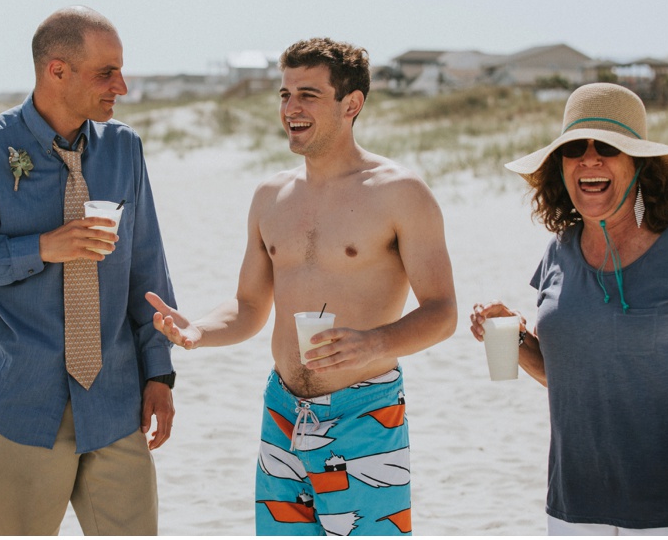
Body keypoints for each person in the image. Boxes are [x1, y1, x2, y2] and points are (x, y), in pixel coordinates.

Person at [147, 37, 457, 536]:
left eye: (308, 94)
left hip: (365, 413)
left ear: (351, 104)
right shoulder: (271, 197)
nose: (291, 107)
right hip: (283, 412)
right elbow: (249, 305)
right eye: (285, 94)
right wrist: (199, 330)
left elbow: (442, 312)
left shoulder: (401, 193)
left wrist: (373, 343)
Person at [0, 6, 177, 535]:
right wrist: (41, 247)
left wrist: (159, 372)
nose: (122, 86)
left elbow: (147, 265)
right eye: (107, 72)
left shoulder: (124, 148)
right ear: (56, 70)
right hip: (26, 405)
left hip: (115, 403)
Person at [469, 82, 668, 535]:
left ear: (639, 165)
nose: (589, 159)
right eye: (573, 149)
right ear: (560, 170)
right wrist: (514, 336)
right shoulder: (557, 251)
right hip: (573, 506)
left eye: (606, 147)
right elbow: (564, 373)